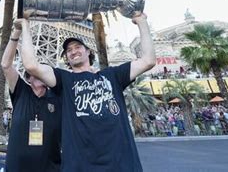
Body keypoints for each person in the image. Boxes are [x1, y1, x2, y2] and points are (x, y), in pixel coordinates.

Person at [17, 13, 155, 172]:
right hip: (80, 166)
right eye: (68, 50)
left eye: (77, 47)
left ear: (88, 51)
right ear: (67, 58)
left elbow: (148, 60)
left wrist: (142, 22)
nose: (73, 51)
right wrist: (26, 27)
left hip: (122, 164)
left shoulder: (112, 76)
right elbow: (31, 66)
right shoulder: (64, 80)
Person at [2, 20, 62, 172]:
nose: (41, 75)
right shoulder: (21, 91)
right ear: (29, 78)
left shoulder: (57, 97)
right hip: (17, 167)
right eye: (36, 73)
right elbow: (5, 65)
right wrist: (16, 33)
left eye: (43, 72)